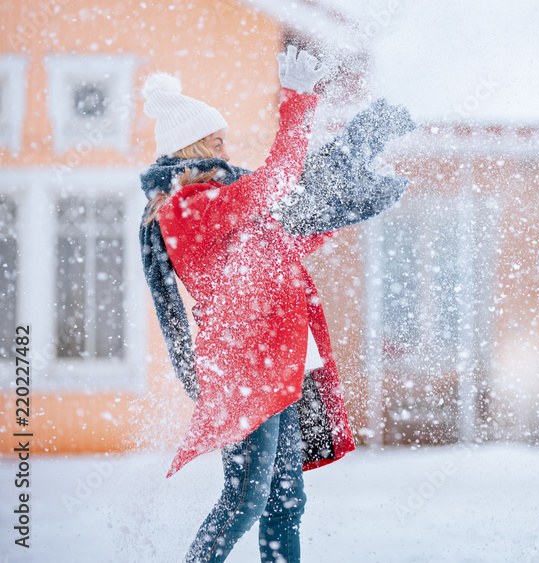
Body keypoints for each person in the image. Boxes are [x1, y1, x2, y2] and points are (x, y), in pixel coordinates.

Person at [138, 45, 412, 562]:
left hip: (280, 365)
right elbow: (280, 181)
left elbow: (283, 236)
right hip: (248, 368)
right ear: (185, 148)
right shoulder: (188, 208)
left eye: (221, 136)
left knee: (285, 503)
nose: (222, 146)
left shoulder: (225, 203)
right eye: (211, 138)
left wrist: (354, 196)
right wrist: (297, 101)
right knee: (245, 501)